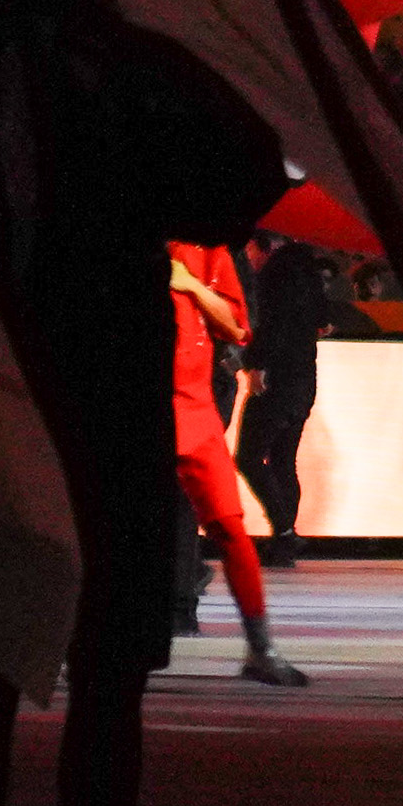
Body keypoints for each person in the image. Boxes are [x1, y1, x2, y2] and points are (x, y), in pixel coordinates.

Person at [0, 0, 286, 806]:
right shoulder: (111, 55)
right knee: (108, 670)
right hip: (99, 377)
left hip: (18, 374)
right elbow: (241, 167)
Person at [162, 244, 304, 685]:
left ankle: (261, 647)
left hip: (195, 408)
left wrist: (189, 287)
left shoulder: (211, 250)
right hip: (153, 406)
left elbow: (238, 329)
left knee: (230, 525)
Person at [234, 234, 339, 563]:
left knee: (248, 457)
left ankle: (284, 533)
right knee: (283, 461)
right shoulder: (310, 273)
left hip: (277, 378)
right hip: (304, 379)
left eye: (251, 249)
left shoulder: (275, 275)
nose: (250, 258)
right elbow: (326, 322)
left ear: (265, 246)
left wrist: (257, 364)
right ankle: (284, 540)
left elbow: (271, 326)